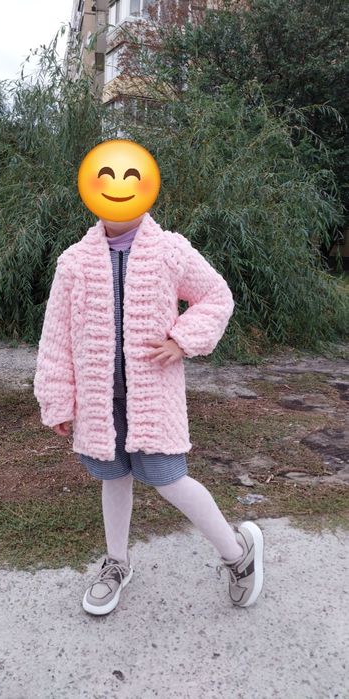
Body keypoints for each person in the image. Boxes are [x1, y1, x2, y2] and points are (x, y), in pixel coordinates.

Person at [33, 144, 264, 616]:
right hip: (99, 401)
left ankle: (237, 553)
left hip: (153, 396)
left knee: (168, 478)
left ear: (146, 188)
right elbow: (55, 337)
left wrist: (182, 339)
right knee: (113, 476)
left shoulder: (169, 250)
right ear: (91, 190)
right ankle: (116, 563)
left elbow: (216, 296)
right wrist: (58, 399)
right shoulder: (73, 262)